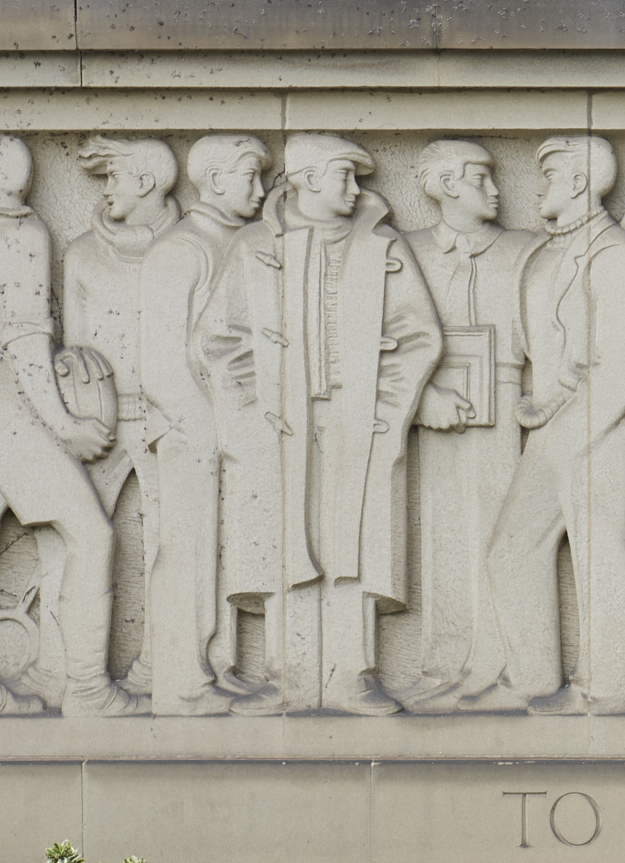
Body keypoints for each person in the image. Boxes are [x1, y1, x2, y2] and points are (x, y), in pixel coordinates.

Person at [197, 133, 442, 716]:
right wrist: (253, 409)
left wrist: (386, 408)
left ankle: (353, 676)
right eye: (342, 176)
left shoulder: (383, 247)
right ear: (306, 179)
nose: (356, 190)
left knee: (351, 543)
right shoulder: (254, 246)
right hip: (278, 426)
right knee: (289, 545)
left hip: (360, 421)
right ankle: (288, 678)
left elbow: (418, 336)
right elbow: (216, 338)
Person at [0, 135, 146, 716]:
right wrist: (65, 425)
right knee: (92, 534)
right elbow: (27, 343)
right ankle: (88, 690)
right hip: (3, 405)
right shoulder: (22, 234)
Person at [461, 136, 625, 715]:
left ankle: (606, 690)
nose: (539, 187)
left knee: (600, 550)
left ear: (577, 182)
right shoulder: (545, 254)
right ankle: (533, 679)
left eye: (550, 176)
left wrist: (572, 421)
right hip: (550, 427)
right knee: (511, 550)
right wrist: (537, 407)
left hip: (597, 422)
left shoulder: (618, 253)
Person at [25, 135, 181, 705]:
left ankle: (158, 666)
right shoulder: (83, 252)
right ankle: (58, 667)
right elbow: (70, 346)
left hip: (171, 420)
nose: (106, 188)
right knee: (69, 540)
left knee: (173, 543)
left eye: (114, 176)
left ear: (145, 182)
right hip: (100, 423)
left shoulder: (190, 247)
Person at [399, 140, 537, 712]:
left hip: (504, 403)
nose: (498, 189)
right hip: (431, 409)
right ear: (448, 185)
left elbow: (561, 323)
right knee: (444, 536)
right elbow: (381, 335)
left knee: (501, 532)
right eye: (482, 178)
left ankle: (500, 662)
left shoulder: (530, 250)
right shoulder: (403, 251)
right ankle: (445, 663)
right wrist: (421, 394)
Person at [138, 134, 272, 714]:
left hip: (234, 430)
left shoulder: (241, 243)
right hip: (190, 428)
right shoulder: (181, 250)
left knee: (225, 548)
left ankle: (215, 664)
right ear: (215, 181)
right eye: (251, 177)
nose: (261, 190)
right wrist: (204, 429)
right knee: (187, 547)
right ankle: (180, 680)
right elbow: (162, 364)